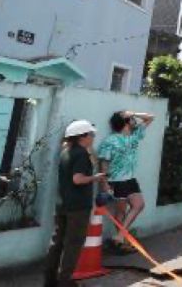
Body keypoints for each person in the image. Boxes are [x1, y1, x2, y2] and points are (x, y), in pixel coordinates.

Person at [44, 120, 105, 287]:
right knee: (73, 244)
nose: (92, 138)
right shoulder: (81, 154)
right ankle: (65, 282)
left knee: (57, 243)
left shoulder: (65, 152)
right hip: (78, 207)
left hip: (63, 204)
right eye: (91, 134)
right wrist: (96, 177)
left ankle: (49, 281)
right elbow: (77, 179)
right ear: (82, 136)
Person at [97, 110, 153, 252]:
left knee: (139, 205)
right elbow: (104, 162)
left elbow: (150, 117)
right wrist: (104, 183)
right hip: (116, 180)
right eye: (132, 119)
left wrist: (132, 112)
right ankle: (120, 242)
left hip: (130, 179)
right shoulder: (110, 140)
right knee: (121, 211)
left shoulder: (134, 136)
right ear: (126, 122)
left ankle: (120, 236)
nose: (135, 120)